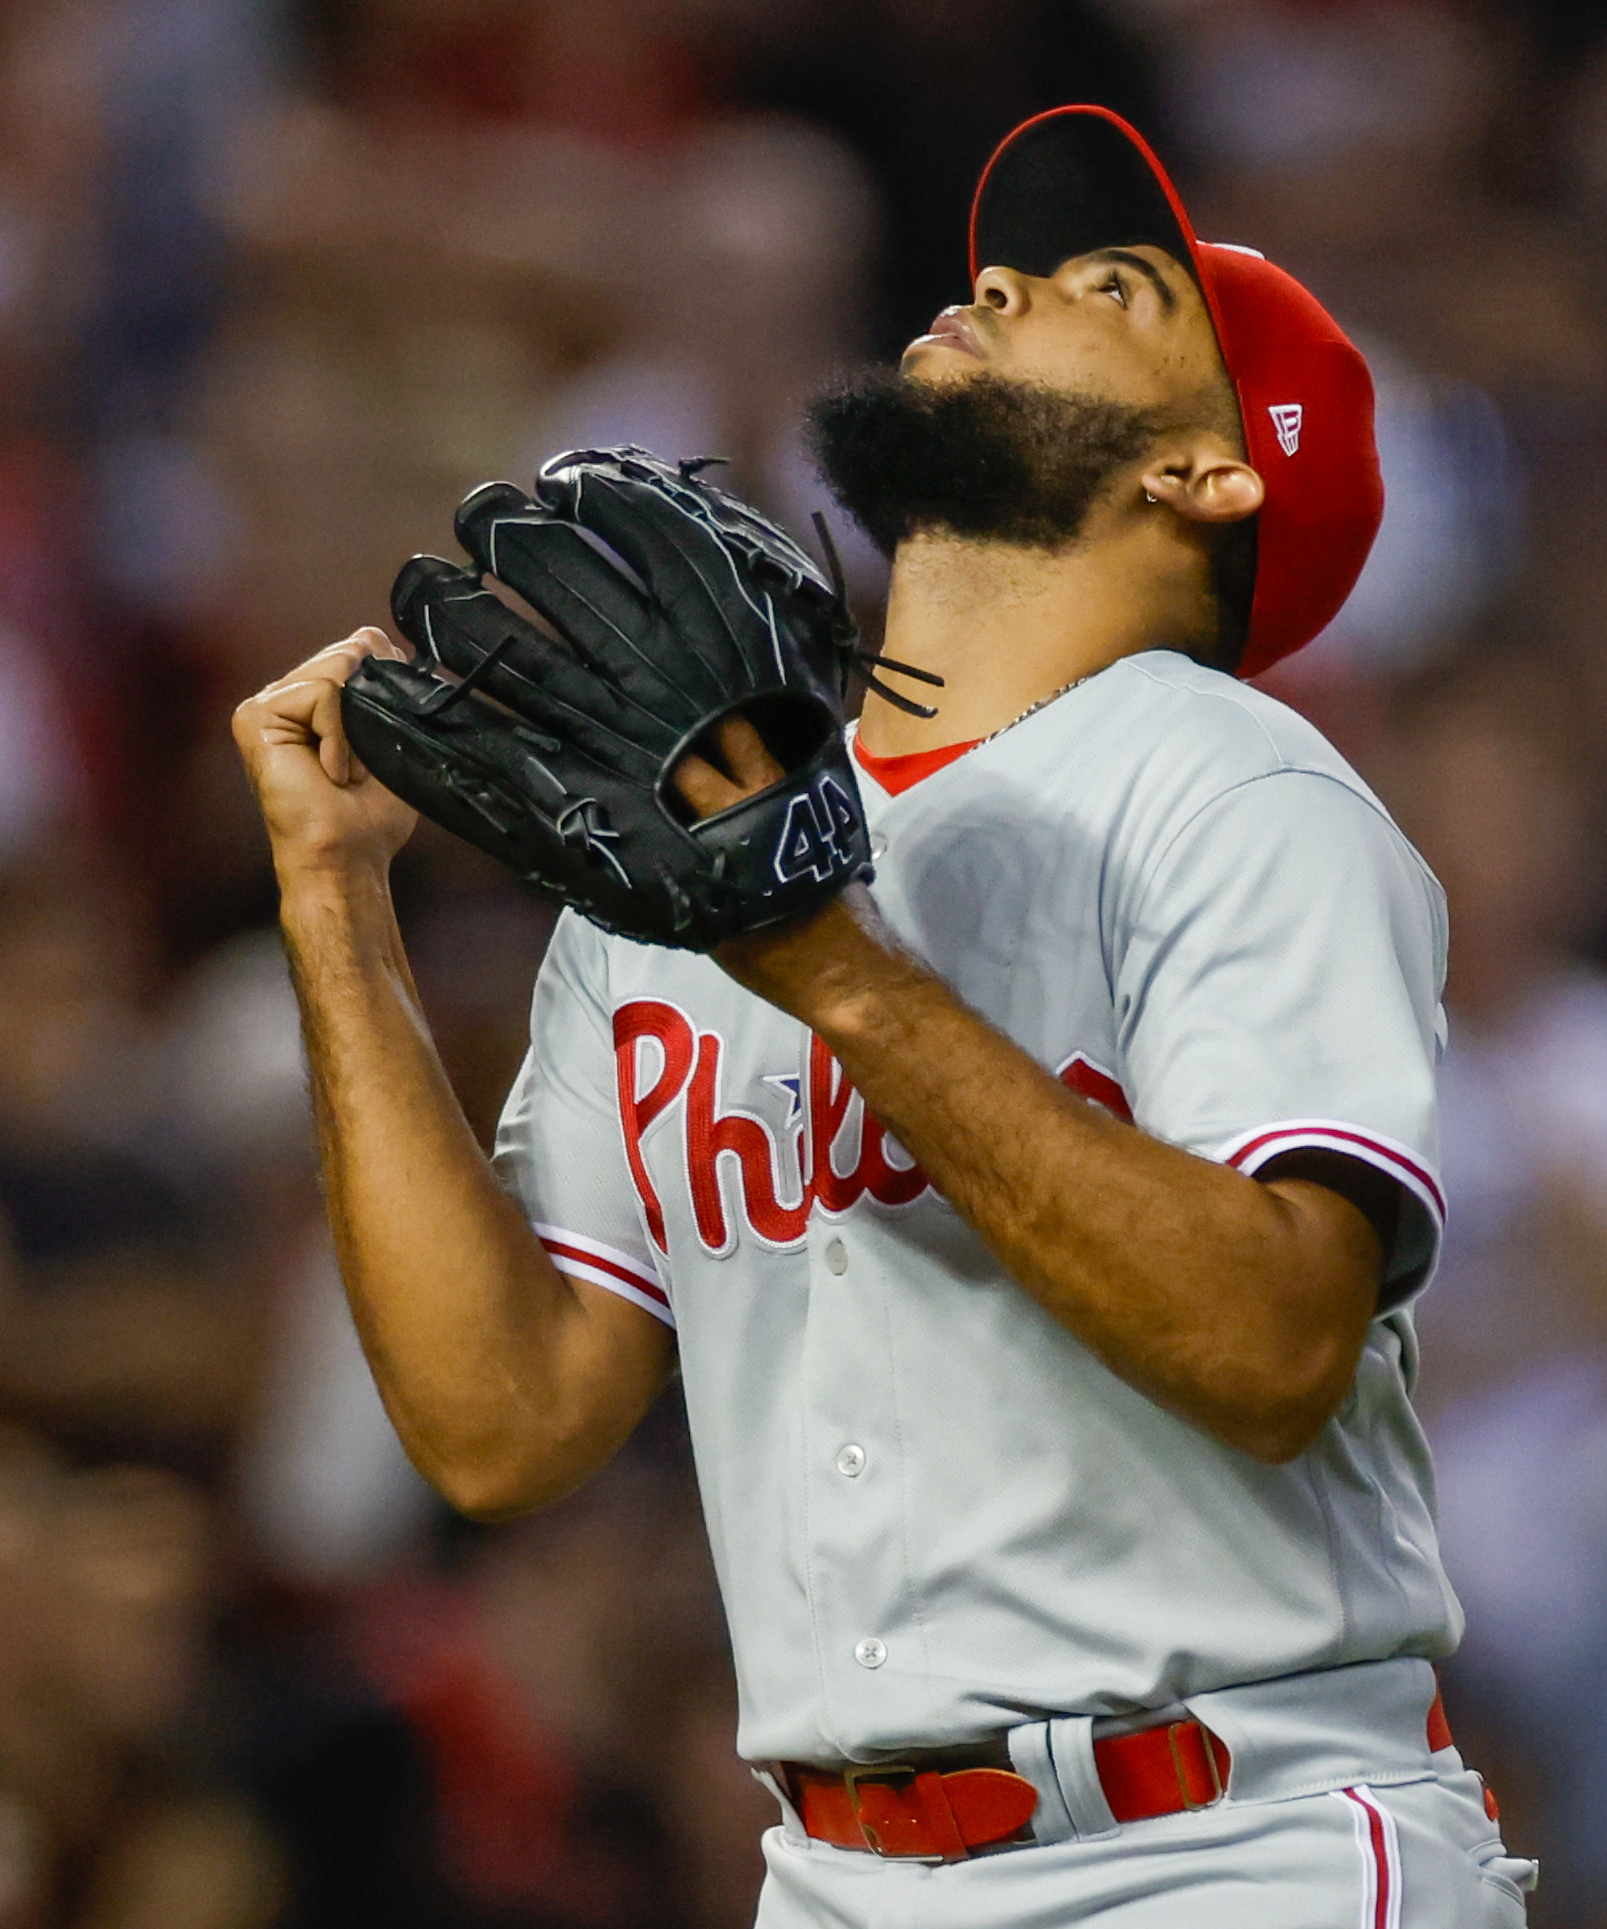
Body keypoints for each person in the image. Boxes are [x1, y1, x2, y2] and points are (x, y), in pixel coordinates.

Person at [232, 106, 1528, 1926]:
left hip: (1230, 1839)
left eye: (1110, 288)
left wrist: (826, 965)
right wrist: (333, 907)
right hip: (837, 1872)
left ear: (1209, 473)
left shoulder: (1232, 792)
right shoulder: (694, 827)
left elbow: (1271, 1341)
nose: (996, 280)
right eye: (1006, 257)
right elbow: (502, 1421)